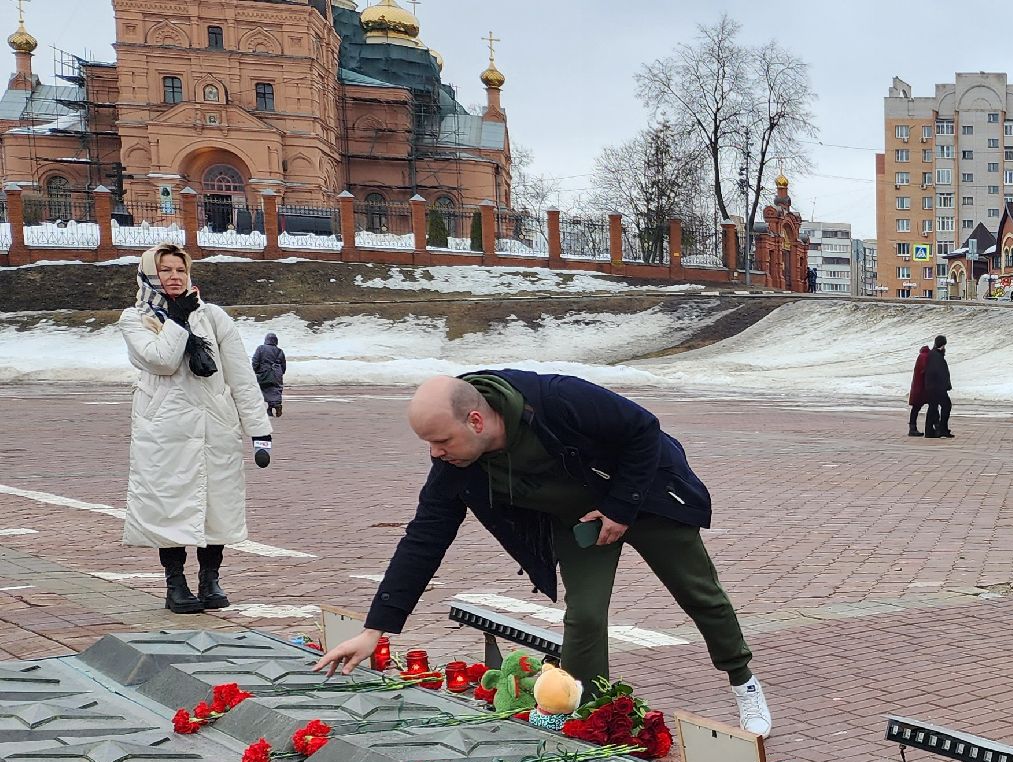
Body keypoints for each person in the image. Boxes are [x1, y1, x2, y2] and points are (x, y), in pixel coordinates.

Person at [312, 372, 775, 735]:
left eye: (442, 441)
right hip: (578, 520)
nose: (435, 454)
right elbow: (423, 540)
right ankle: (595, 715)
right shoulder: (455, 466)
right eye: (428, 444)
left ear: (475, 421)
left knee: (699, 594)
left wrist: (620, 508)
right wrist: (374, 630)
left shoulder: (554, 398)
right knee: (586, 615)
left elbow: (643, 429)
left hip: (643, 496)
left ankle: (743, 681)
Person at [118, 243, 274, 615]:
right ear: (150, 275)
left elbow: (239, 373)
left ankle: (210, 580)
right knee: (169, 506)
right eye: (165, 270)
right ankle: (176, 585)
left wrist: (258, 429)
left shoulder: (213, 317)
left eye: (180, 270)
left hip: (213, 425)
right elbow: (162, 360)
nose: (174, 277)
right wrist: (177, 320)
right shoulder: (136, 319)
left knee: (215, 505)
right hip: (163, 431)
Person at [922, 335, 954, 438]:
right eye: (944, 345)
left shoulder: (932, 354)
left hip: (931, 387)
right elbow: (940, 373)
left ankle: (929, 431)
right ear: (942, 345)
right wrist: (946, 386)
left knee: (933, 407)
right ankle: (942, 430)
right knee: (946, 405)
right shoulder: (937, 356)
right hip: (937, 388)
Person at [252, 333, 287, 418]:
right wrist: (280, 372)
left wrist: (255, 370)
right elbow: (283, 364)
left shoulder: (261, 348)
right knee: (276, 390)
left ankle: (270, 408)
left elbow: (255, 361)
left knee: (266, 390)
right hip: (277, 373)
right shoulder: (280, 351)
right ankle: (275, 406)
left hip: (265, 372)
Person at [908, 343, 932, 436]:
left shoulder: (921, 356)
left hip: (918, 387)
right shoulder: (925, 357)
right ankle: (934, 427)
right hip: (922, 387)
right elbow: (925, 370)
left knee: (916, 408)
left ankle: (912, 428)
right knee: (932, 406)